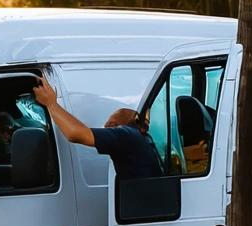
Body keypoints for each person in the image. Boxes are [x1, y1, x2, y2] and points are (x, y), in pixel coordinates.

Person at [33, 74, 162, 179]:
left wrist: (51, 104)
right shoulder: (143, 139)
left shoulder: (127, 135)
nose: (106, 126)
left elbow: (76, 134)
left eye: (112, 125)